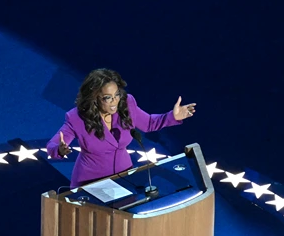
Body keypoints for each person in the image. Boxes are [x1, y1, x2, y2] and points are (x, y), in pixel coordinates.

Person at [46, 68, 196, 188]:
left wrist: (173, 116)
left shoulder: (127, 104)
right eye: (107, 97)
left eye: (116, 95)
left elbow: (149, 123)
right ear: (94, 98)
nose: (114, 102)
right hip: (90, 183)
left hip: (124, 178)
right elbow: (52, 145)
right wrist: (59, 150)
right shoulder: (77, 117)